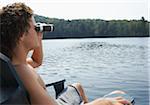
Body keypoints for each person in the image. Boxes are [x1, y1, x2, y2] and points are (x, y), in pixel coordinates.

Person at [0, 2, 132, 105]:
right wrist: (105, 102)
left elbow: (37, 61)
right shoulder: (24, 74)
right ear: (22, 35)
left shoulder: (16, 63)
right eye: (35, 28)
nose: (38, 31)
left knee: (77, 87)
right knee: (117, 97)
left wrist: (38, 38)